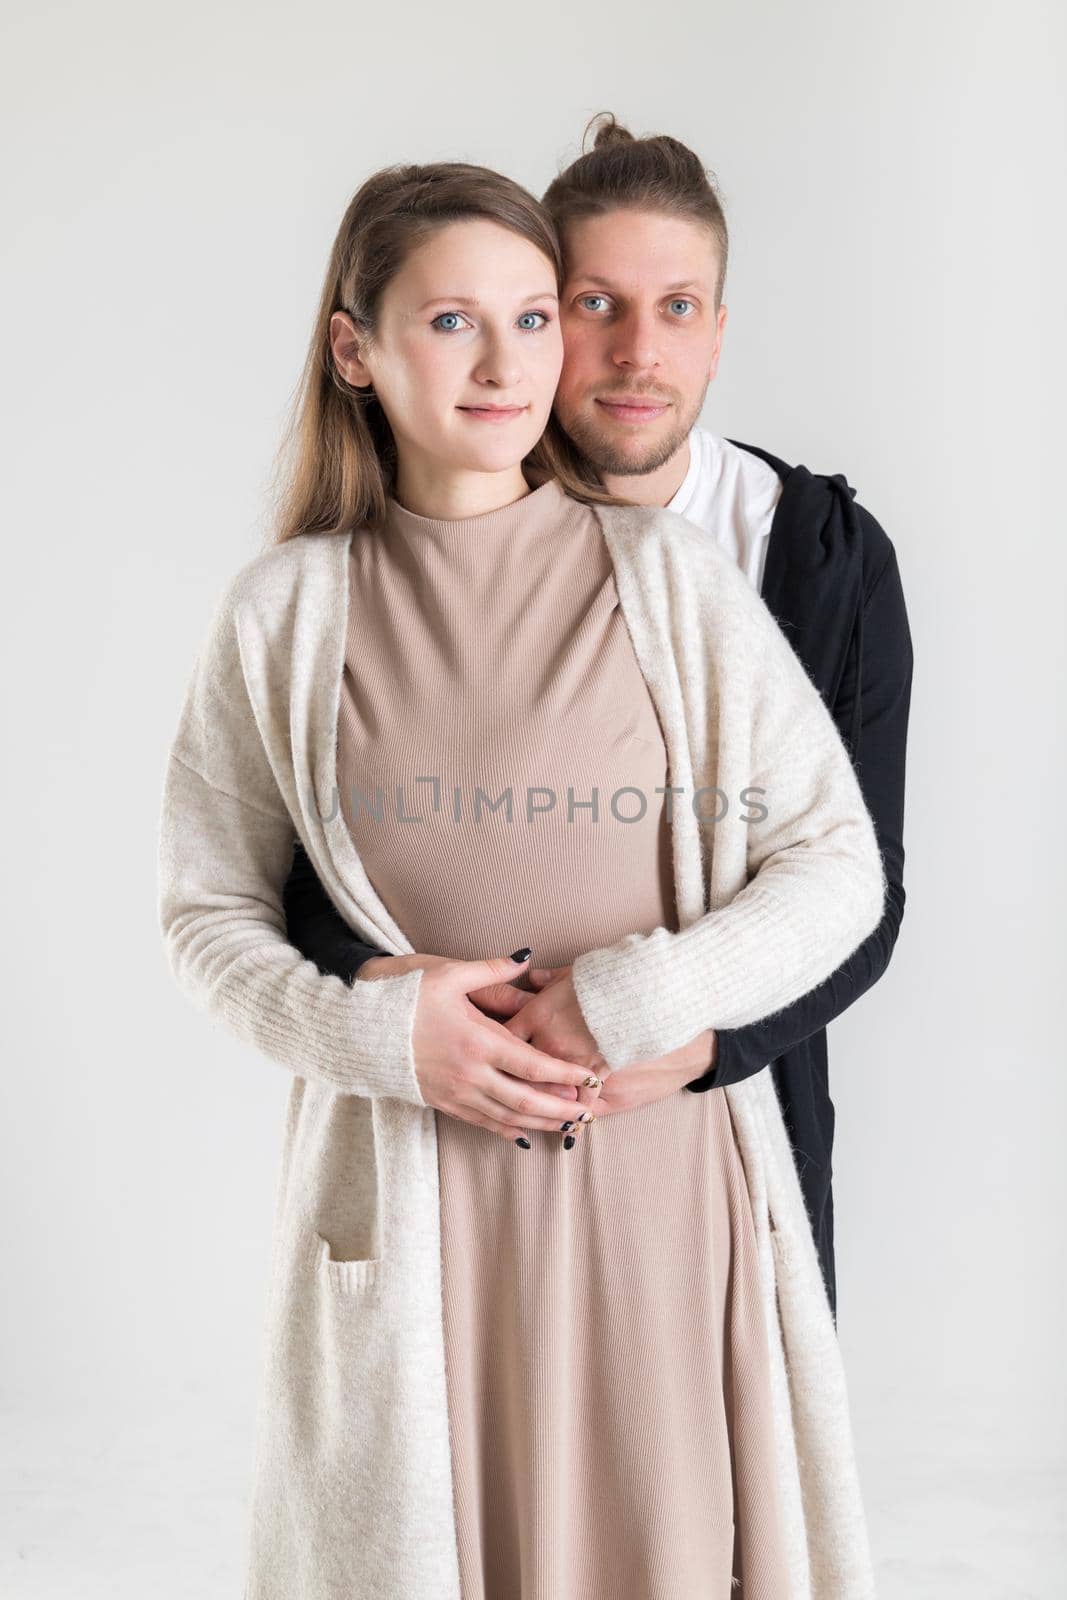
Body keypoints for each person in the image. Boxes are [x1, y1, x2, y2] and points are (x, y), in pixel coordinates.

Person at [157, 157, 886, 1598]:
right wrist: (376, 1033)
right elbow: (207, 917)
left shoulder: (667, 581)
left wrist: (642, 995)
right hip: (419, 1189)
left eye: (534, 317)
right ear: (353, 345)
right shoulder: (283, 615)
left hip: (656, 1184)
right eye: (450, 324)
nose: (504, 364)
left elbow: (836, 865)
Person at [284, 113, 914, 1321]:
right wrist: (401, 1003)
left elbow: (860, 886)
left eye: (677, 307)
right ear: (534, 313)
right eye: (590, 304)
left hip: (724, 1116)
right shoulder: (403, 556)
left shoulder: (824, 559)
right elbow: (310, 873)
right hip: (456, 1117)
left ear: (720, 332)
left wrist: (700, 1045)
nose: (637, 352)